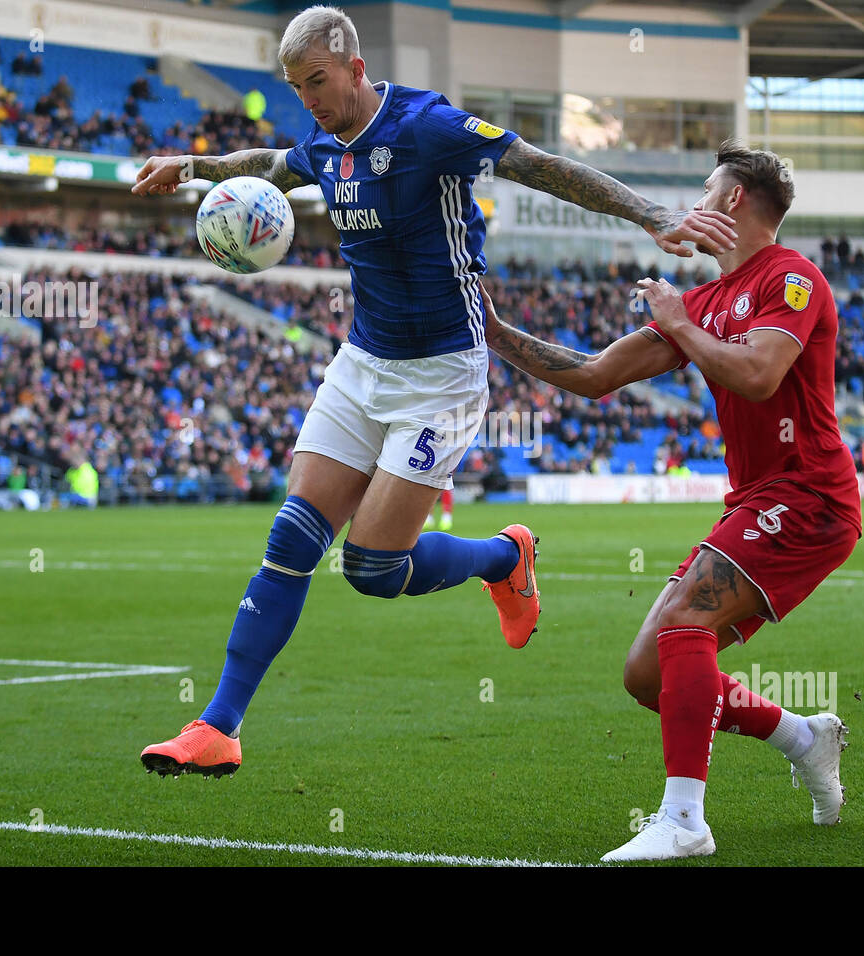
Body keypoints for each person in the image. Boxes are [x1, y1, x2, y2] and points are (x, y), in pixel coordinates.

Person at [129, 4, 734, 779]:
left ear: (354, 67)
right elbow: (275, 165)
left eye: (316, 81)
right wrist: (193, 167)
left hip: (442, 374)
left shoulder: (427, 125)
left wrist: (649, 212)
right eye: (295, 86)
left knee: (372, 571)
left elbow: (541, 165)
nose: (307, 98)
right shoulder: (322, 141)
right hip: (362, 362)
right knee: (290, 538)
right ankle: (219, 725)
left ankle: (501, 558)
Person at [482, 139, 861, 861]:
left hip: (809, 494)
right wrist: (496, 333)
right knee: (647, 675)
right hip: (755, 497)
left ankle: (684, 819)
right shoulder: (705, 300)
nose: (694, 200)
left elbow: (758, 375)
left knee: (686, 617)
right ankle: (802, 737)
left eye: (706, 186)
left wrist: (680, 320)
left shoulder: (794, 278)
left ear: (733, 200)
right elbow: (596, 374)